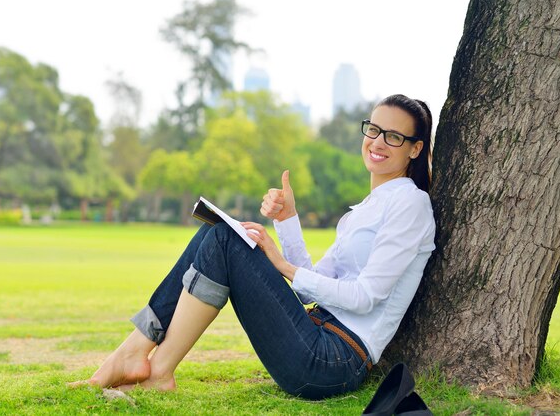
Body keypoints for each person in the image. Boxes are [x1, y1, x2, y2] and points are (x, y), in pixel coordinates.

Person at [69, 94, 436, 400]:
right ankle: (139, 355)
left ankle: (153, 366)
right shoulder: (367, 209)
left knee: (226, 238)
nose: (377, 142)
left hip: (332, 361)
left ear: (416, 149)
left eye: (393, 136)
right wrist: (288, 218)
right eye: (373, 129)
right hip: (314, 336)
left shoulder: (411, 204)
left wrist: (282, 265)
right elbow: (316, 281)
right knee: (220, 233)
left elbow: (366, 297)